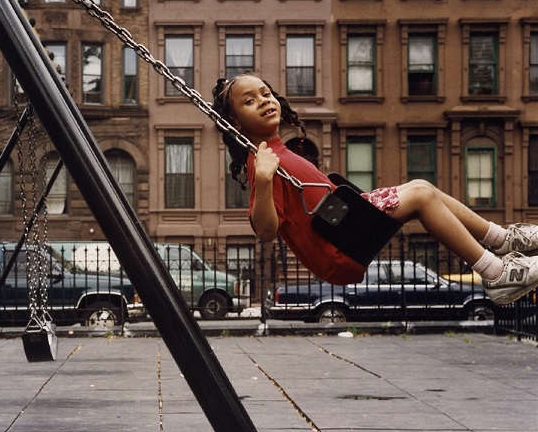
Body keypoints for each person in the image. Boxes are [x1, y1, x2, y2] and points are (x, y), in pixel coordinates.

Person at [212, 72, 538, 305]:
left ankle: (505, 240)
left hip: (347, 221)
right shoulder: (261, 161)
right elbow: (266, 230)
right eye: (249, 101)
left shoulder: (279, 151)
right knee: (422, 196)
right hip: (338, 242)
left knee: (423, 187)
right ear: (236, 122)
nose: (264, 101)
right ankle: (496, 273)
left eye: (265, 93)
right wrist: (266, 180)